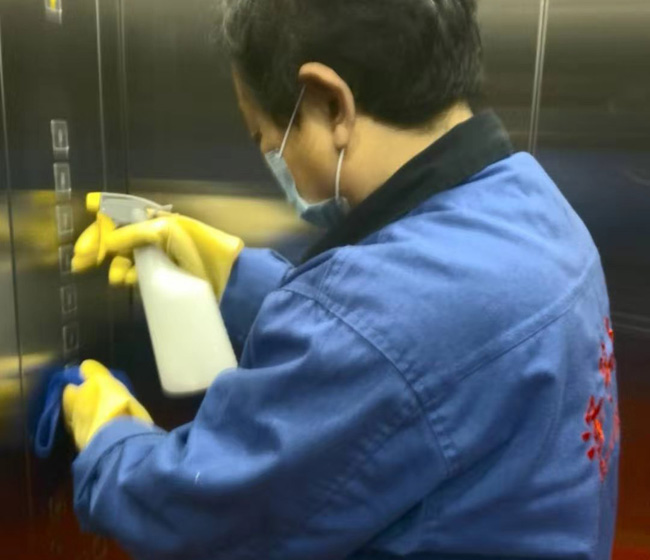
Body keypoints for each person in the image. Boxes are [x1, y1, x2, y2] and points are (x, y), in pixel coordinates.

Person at [65, 1, 620, 559]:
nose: (278, 163)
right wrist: (232, 273)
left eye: (268, 141)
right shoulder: (532, 202)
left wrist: (108, 434)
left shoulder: (382, 323)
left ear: (332, 104)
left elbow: (195, 518)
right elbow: (413, 353)